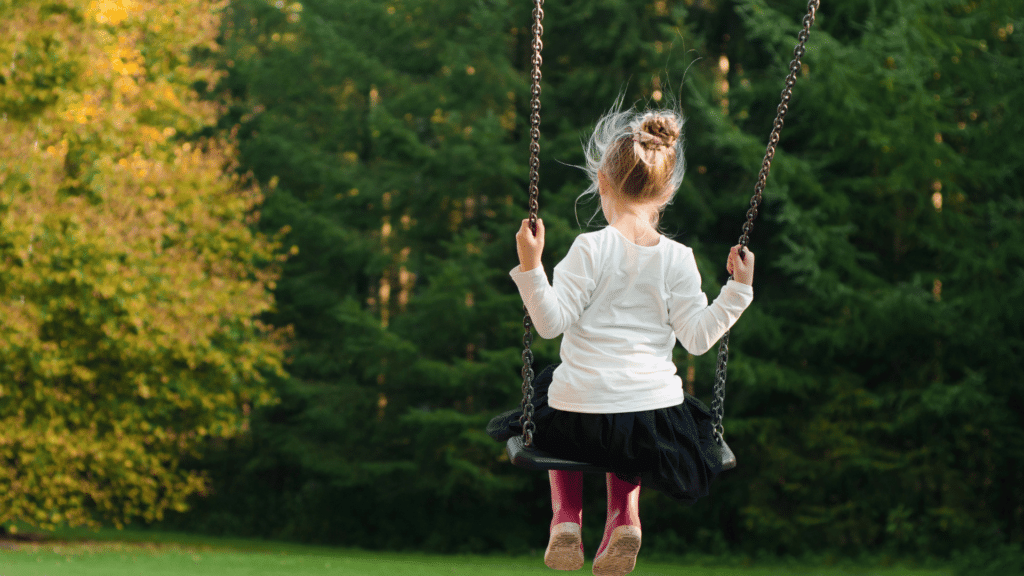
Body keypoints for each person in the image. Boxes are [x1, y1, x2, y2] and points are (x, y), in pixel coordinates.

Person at [487, 104, 755, 576]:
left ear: (602, 184)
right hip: (652, 419)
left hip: (579, 414)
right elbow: (697, 339)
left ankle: (566, 519)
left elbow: (549, 323)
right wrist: (738, 291)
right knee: (630, 422)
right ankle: (624, 517)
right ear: (667, 191)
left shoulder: (589, 248)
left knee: (553, 393)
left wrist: (531, 266)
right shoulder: (679, 258)